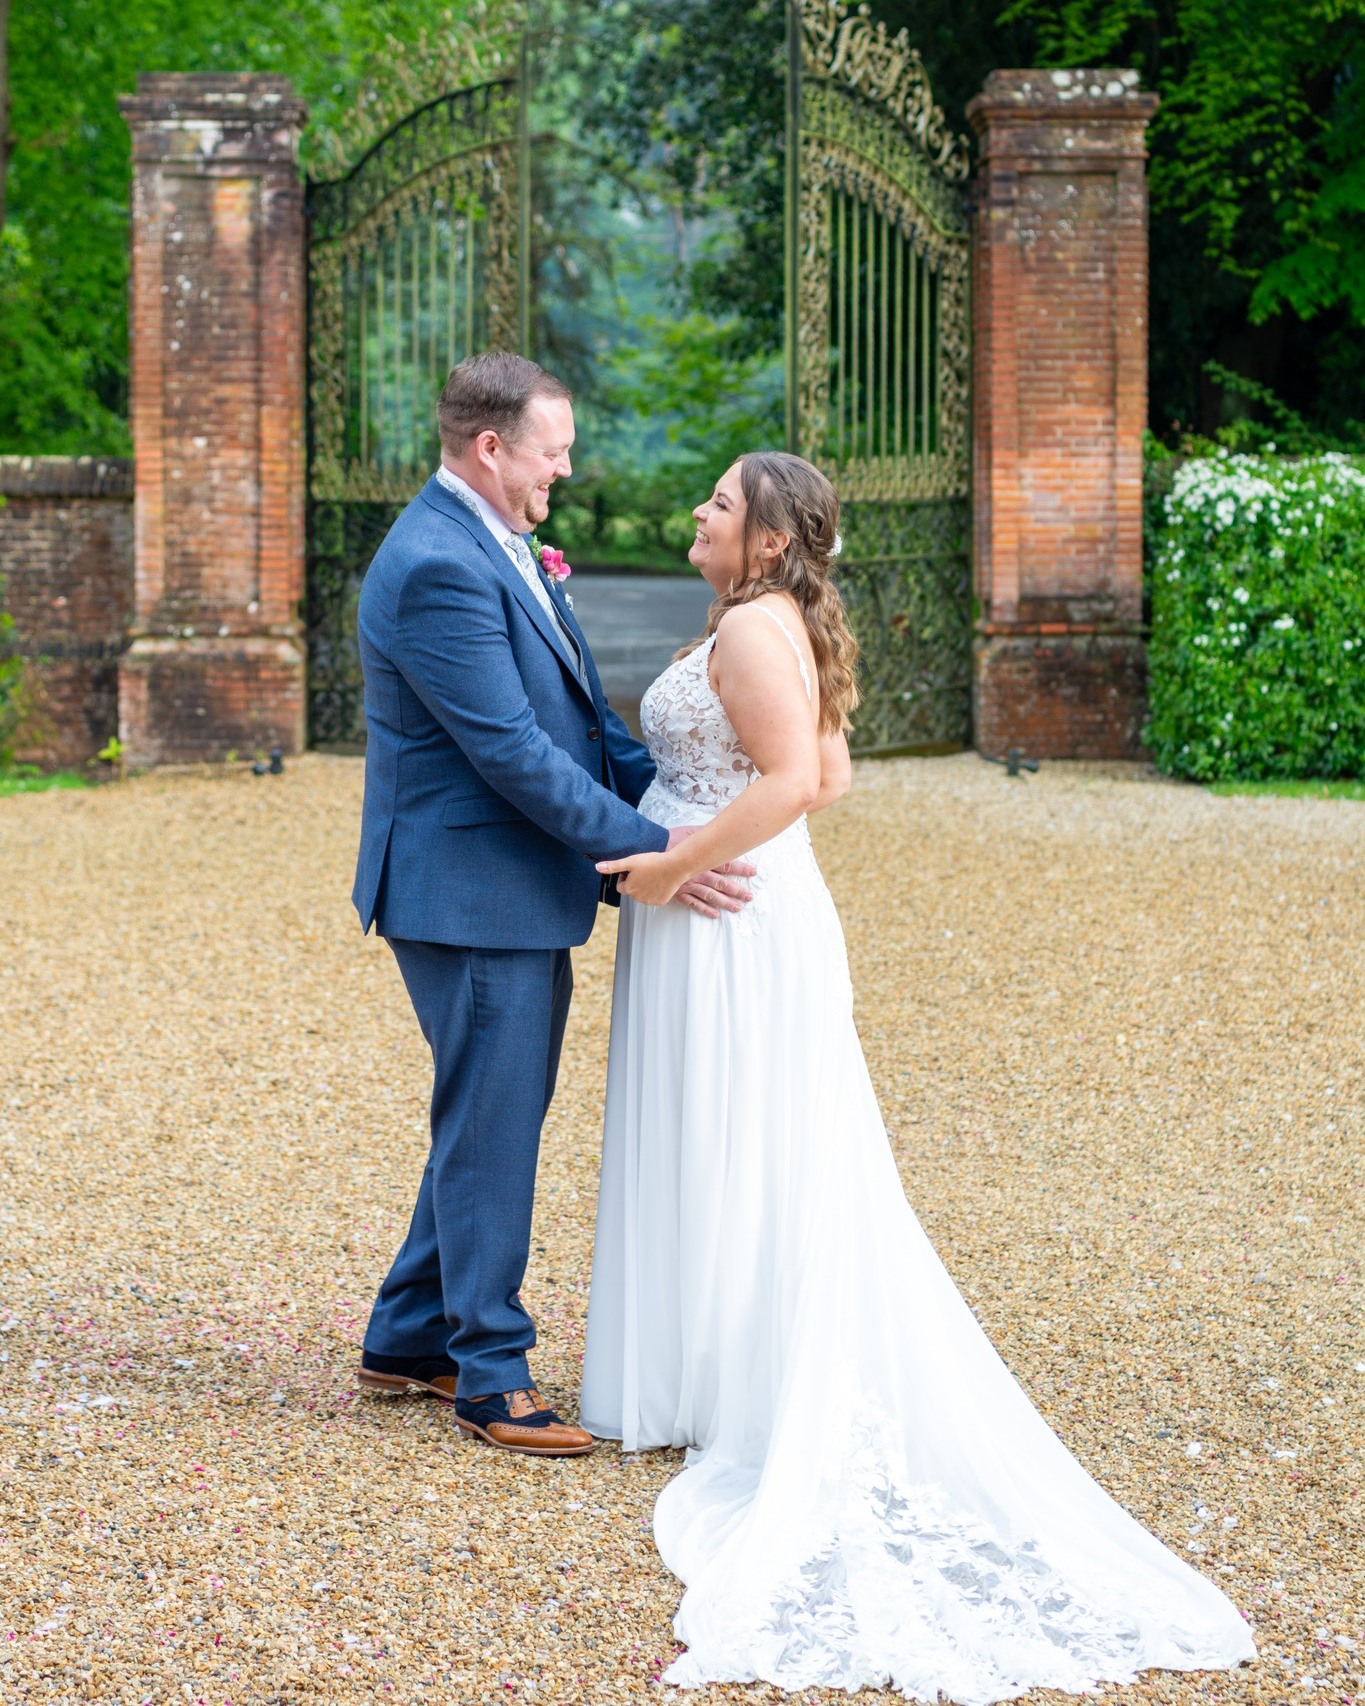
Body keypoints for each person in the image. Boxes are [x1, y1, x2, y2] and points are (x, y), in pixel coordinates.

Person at [583, 451, 1257, 1696]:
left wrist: (678, 862)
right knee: (746, 1135)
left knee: (744, 1136)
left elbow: (792, 781)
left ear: (771, 541)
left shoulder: (749, 634)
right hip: (747, 904)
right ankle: (715, 1370)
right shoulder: (769, 624)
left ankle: (731, 1386)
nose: (697, 513)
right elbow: (826, 778)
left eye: (720, 504)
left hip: (725, 914)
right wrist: (700, 834)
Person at [350, 351, 752, 1458]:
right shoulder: (437, 563)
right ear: (491, 447)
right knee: (492, 1121)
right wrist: (657, 849)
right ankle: (491, 1371)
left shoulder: (503, 542)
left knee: (491, 1110)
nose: (563, 469)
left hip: (508, 884)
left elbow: (582, 723)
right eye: (552, 450)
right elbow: (512, 755)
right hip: (469, 888)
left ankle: (408, 1335)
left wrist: (675, 805)